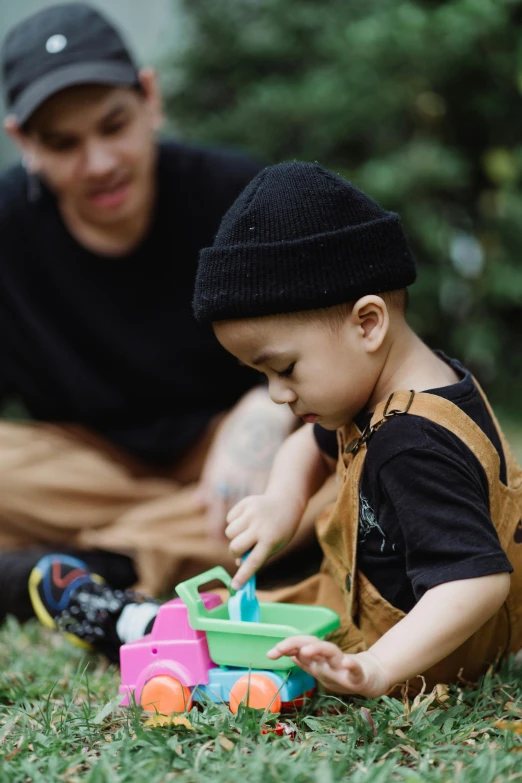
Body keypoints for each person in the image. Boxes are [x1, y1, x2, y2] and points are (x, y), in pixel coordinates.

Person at [0, 4, 328, 627]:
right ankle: (154, 549)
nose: (99, 163)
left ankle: (82, 563)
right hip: (84, 465)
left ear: (150, 99)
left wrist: (262, 408)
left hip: (236, 456)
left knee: (348, 466)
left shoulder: (236, 193)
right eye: (63, 143)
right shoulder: (7, 228)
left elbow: (325, 350)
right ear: (24, 143)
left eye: (113, 125)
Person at [188, 161, 522, 697]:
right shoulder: (389, 386)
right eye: (262, 376)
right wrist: (281, 501)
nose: (277, 394)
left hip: (418, 643)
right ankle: (136, 621)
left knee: (238, 639)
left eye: (285, 368)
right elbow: (307, 447)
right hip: (354, 601)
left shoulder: (411, 443)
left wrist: (380, 667)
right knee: (241, 619)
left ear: (368, 323)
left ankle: (129, 622)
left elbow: (475, 580)